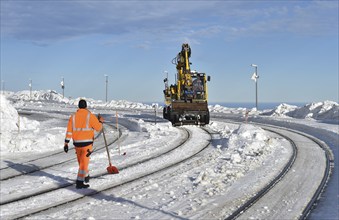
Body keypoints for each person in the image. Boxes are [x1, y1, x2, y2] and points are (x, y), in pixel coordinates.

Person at [64, 99, 104, 189]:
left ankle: (85, 176)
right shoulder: (90, 116)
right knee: (83, 164)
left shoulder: (73, 117)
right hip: (87, 144)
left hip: (77, 144)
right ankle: (79, 182)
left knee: (81, 162)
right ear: (86, 106)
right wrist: (100, 121)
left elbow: (69, 131)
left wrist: (66, 143)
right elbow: (98, 128)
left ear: (78, 106)